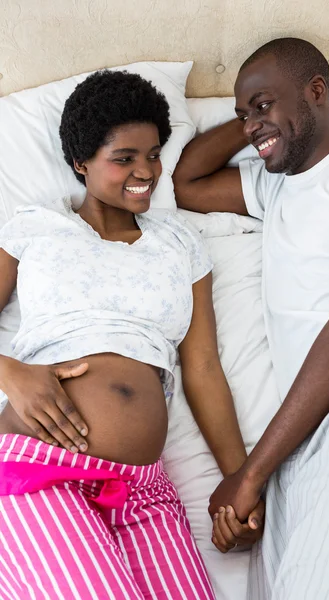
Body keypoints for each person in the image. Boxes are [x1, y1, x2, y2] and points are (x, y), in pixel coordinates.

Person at [0, 70, 263, 600]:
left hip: (144, 492)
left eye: (153, 154)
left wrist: (242, 483)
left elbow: (205, 370)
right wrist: (12, 373)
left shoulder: (181, 243)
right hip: (40, 471)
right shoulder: (34, 228)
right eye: (124, 158)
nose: (145, 172)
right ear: (81, 162)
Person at [173, 37, 329, 600]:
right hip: (300, 435)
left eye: (264, 104)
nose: (251, 127)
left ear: (318, 92)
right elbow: (187, 183)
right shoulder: (275, 188)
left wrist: (249, 474)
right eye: (242, 113)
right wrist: (259, 119)